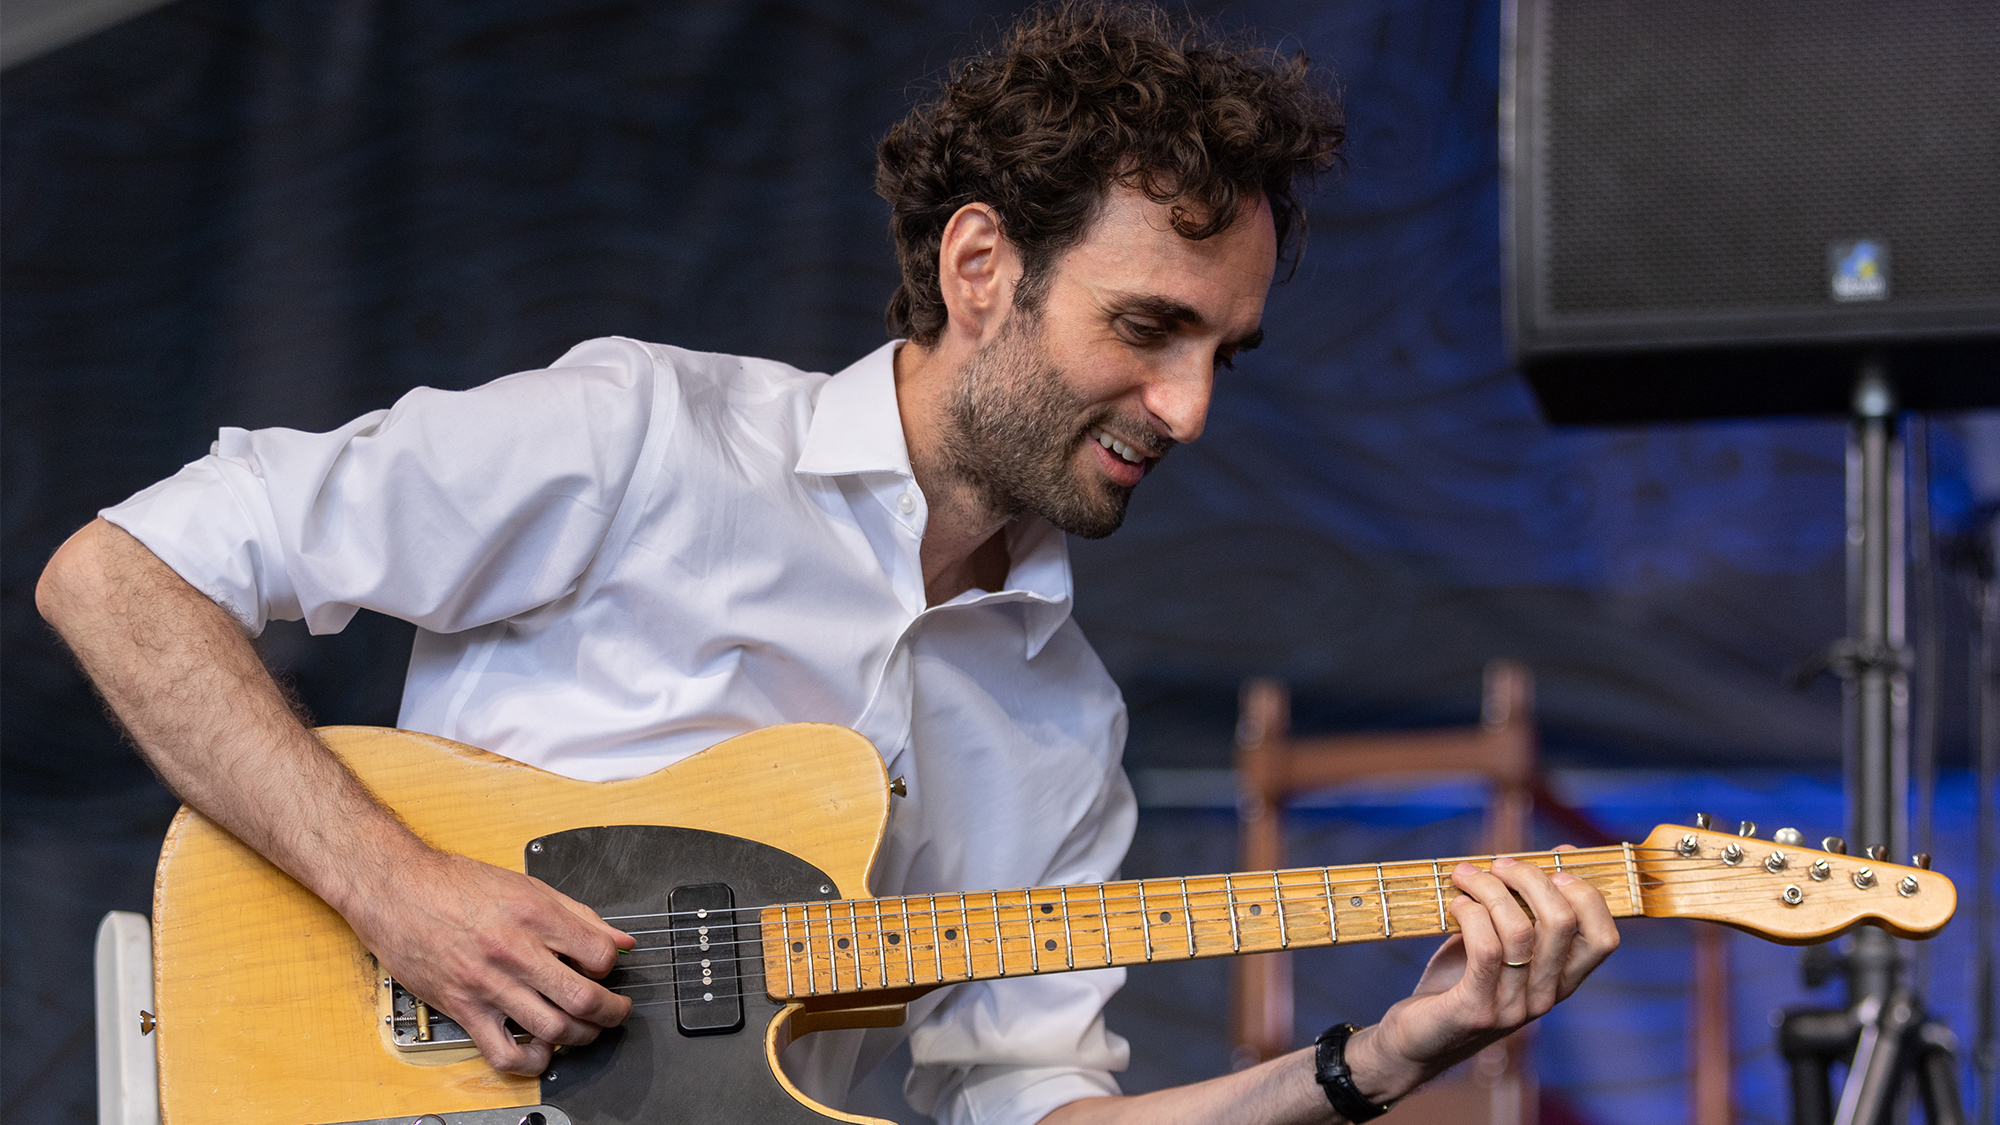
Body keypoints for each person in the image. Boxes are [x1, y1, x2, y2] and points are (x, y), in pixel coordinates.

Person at [36, 3, 1618, 1122]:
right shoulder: (640, 437)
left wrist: (1388, 1056)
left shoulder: (1059, 721)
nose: (1191, 407)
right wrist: (400, 893)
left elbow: (1033, 1113)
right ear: (981, 267)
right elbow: (117, 572)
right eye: (1147, 329)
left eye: (1226, 351)